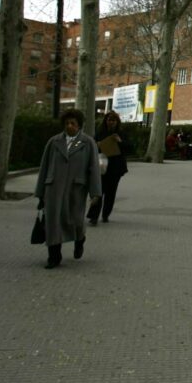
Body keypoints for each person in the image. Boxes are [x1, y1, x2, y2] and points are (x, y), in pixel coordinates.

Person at [35, 109, 102, 269]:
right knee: (53, 222)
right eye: (66, 123)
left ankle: (80, 240)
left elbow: (93, 168)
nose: (69, 126)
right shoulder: (54, 142)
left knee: (76, 221)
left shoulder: (87, 142)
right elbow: (44, 167)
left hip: (76, 189)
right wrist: (40, 192)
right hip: (54, 188)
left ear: (79, 125)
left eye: (73, 123)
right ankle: (54, 256)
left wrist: (95, 193)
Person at [90, 110, 129, 225]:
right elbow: (92, 146)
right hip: (102, 166)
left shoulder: (121, 134)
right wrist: (96, 145)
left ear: (117, 122)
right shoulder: (100, 133)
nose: (110, 122)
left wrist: (119, 141)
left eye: (113, 120)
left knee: (111, 193)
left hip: (115, 168)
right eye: (108, 120)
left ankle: (106, 214)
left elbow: (129, 147)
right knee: (99, 191)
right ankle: (93, 216)